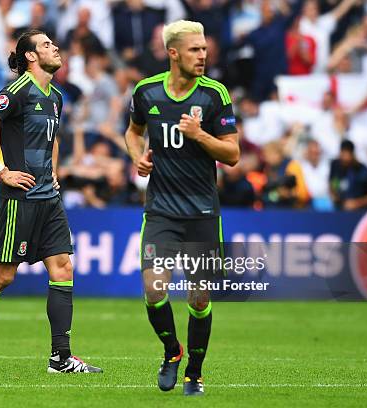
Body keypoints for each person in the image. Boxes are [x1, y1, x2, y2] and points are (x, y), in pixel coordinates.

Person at [0, 30, 102, 374]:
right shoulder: (16, 91)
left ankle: (60, 358)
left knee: (63, 267)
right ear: (31, 56)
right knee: (3, 277)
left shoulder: (56, 96)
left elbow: (53, 138)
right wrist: (2, 171)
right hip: (20, 198)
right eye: (46, 44)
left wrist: (54, 173)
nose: (55, 47)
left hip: (49, 197)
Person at [124, 20, 239, 396]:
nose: (203, 55)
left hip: (203, 212)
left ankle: (195, 372)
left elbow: (233, 154)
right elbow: (133, 131)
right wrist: (137, 157)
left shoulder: (214, 94)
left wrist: (200, 135)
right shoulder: (147, 92)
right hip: (161, 210)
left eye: (204, 49)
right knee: (154, 288)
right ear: (173, 53)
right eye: (194, 50)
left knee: (199, 297)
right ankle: (172, 351)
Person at [329, 140, 367, 210]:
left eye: (347, 155)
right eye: (343, 154)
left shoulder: (362, 171)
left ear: (352, 155)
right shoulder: (335, 166)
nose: (345, 158)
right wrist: (334, 194)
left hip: (360, 212)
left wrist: (357, 203)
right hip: (340, 211)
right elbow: (333, 184)